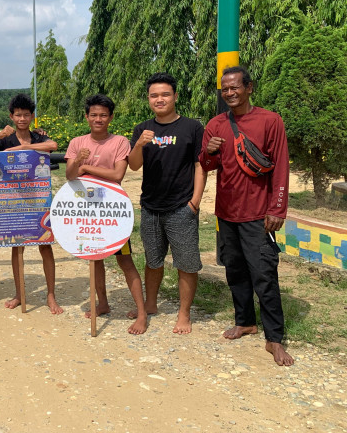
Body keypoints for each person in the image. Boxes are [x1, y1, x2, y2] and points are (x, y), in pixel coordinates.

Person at [199, 66, 293, 366]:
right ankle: (246, 321)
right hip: (226, 213)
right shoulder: (215, 124)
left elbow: (280, 167)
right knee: (235, 271)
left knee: (264, 274)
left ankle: (274, 339)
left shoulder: (270, 120)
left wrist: (277, 208)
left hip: (259, 215)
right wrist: (210, 151)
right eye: (224, 89)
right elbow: (206, 164)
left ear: (249, 87)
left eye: (235, 87)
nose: (229, 93)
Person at [65, 94, 149, 335]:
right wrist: (77, 163)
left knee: (125, 261)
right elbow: (70, 175)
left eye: (103, 115)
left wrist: (86, 167)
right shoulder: (77, 142)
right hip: (86, 210)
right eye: (94, 115)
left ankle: (141, 313)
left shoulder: (120, 142)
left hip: (111, 211)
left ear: (111, 117)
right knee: (95, 258)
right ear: (86, 117)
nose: (98, 119)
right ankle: (102, 302)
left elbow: (117, 176)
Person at [128, 73, 205, 334]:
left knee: (186, 263)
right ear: (148, 99)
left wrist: (194, 202)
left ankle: (184, 315)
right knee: (153, 261)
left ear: (175, 96)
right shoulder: (142, 128)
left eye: (165, 94)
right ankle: (150, 304)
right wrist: (138, 144)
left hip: (181, 207)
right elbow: (134, 165)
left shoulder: (192, 127)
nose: (159, 99)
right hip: (150, 207)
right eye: (154, 95)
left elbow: (199, 165)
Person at [0, 93, 62, 314]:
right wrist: (0, 137)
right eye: (18, 115)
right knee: (17, 247)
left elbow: (53, 145)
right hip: (13, 201)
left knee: (45, 245)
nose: (22, 119)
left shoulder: (38, 137)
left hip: (38, 200)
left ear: (32, 116)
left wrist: (18, 150)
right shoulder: (5, 138)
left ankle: (51, 295)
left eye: (26, 115)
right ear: (11, 116)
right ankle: (19, 293)